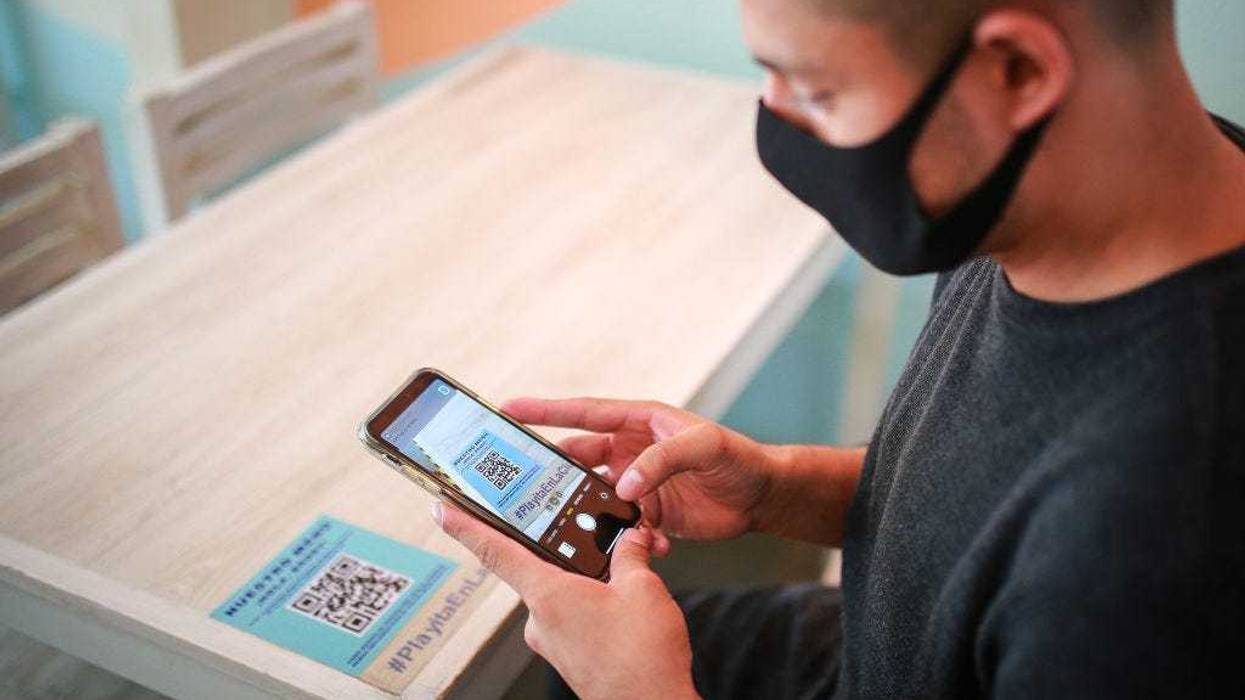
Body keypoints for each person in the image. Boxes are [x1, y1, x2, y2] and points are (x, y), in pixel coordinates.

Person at [434, 0, 1245, 697]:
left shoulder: (1152, 557)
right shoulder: (1060, 204)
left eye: (815, 90)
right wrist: (774, 487)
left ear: (1017, 70)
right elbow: (994, 503)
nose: (777, 122)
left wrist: (641, 691)